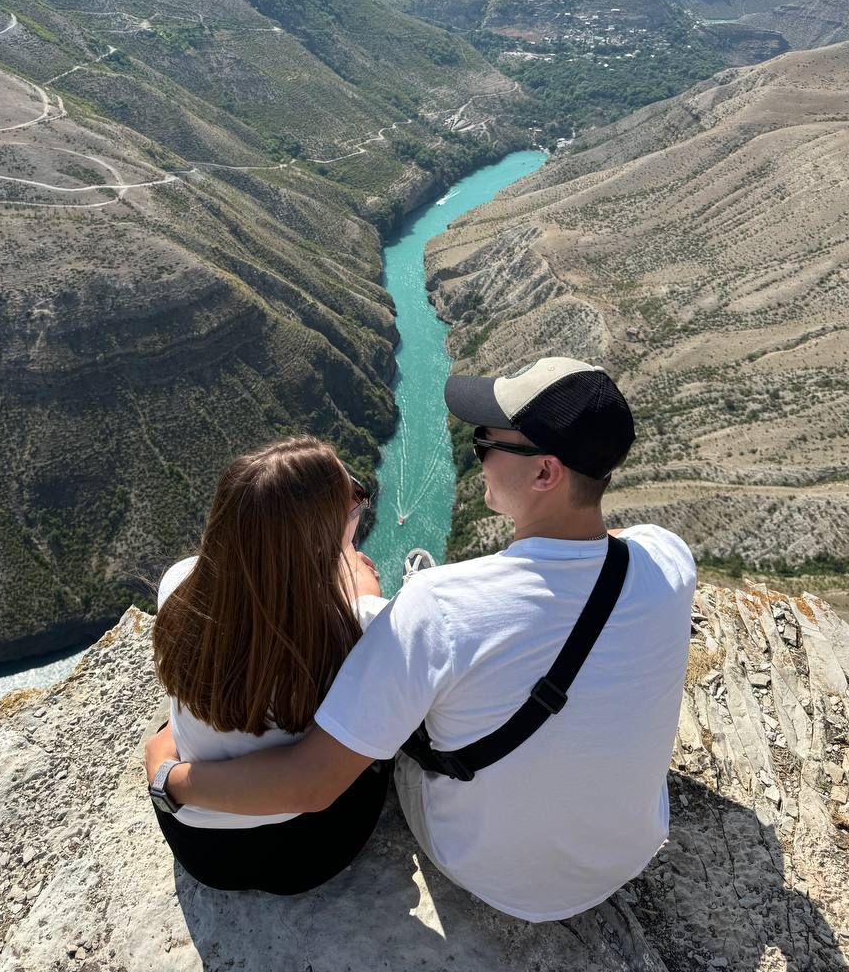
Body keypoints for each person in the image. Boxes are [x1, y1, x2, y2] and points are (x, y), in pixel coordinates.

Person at [146, 358, 696, 921]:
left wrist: (166, 772)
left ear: (545, 473)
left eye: (486, 443)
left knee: (407, 712)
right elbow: (617, 541)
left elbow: (310, 781)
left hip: (489, 870)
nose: (477, 456)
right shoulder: (671, 556)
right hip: (627, 850)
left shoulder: (435, 607)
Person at [147, 435, 390, 894]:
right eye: (354, 501)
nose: (360, 505)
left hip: (200, 848)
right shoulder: (358, 628)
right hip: (313, 849)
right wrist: (365, 596)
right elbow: (318, 779)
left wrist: (165, 768)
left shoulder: (180, 588)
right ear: (320, 538)